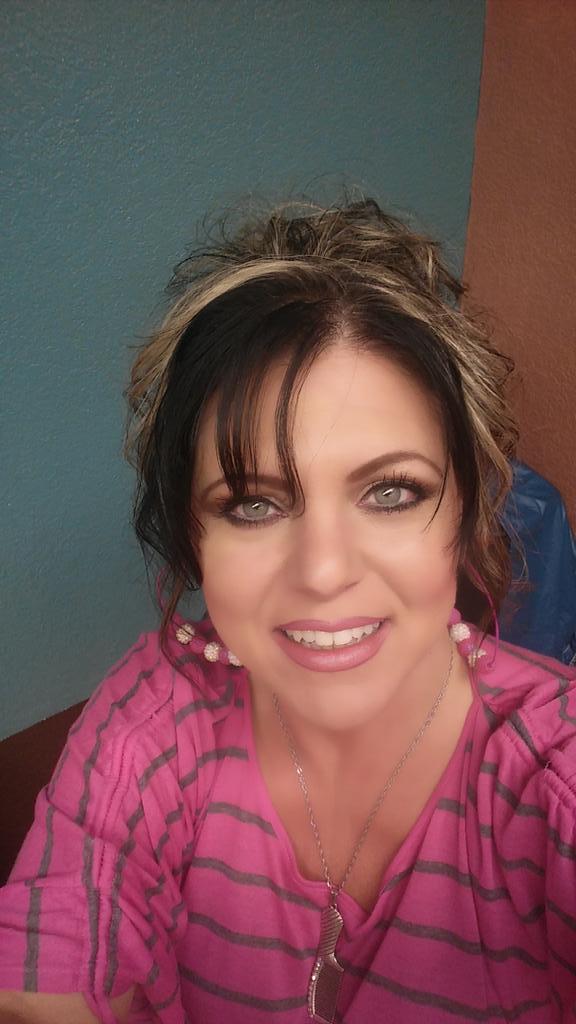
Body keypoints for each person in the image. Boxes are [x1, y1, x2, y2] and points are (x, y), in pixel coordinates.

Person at [1, 198, 575, 1024]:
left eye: (391, 492)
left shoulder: (551, 774)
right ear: (193, 533)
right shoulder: (160, 717)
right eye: (254, 504)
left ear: (467, 509)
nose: (324, 571)